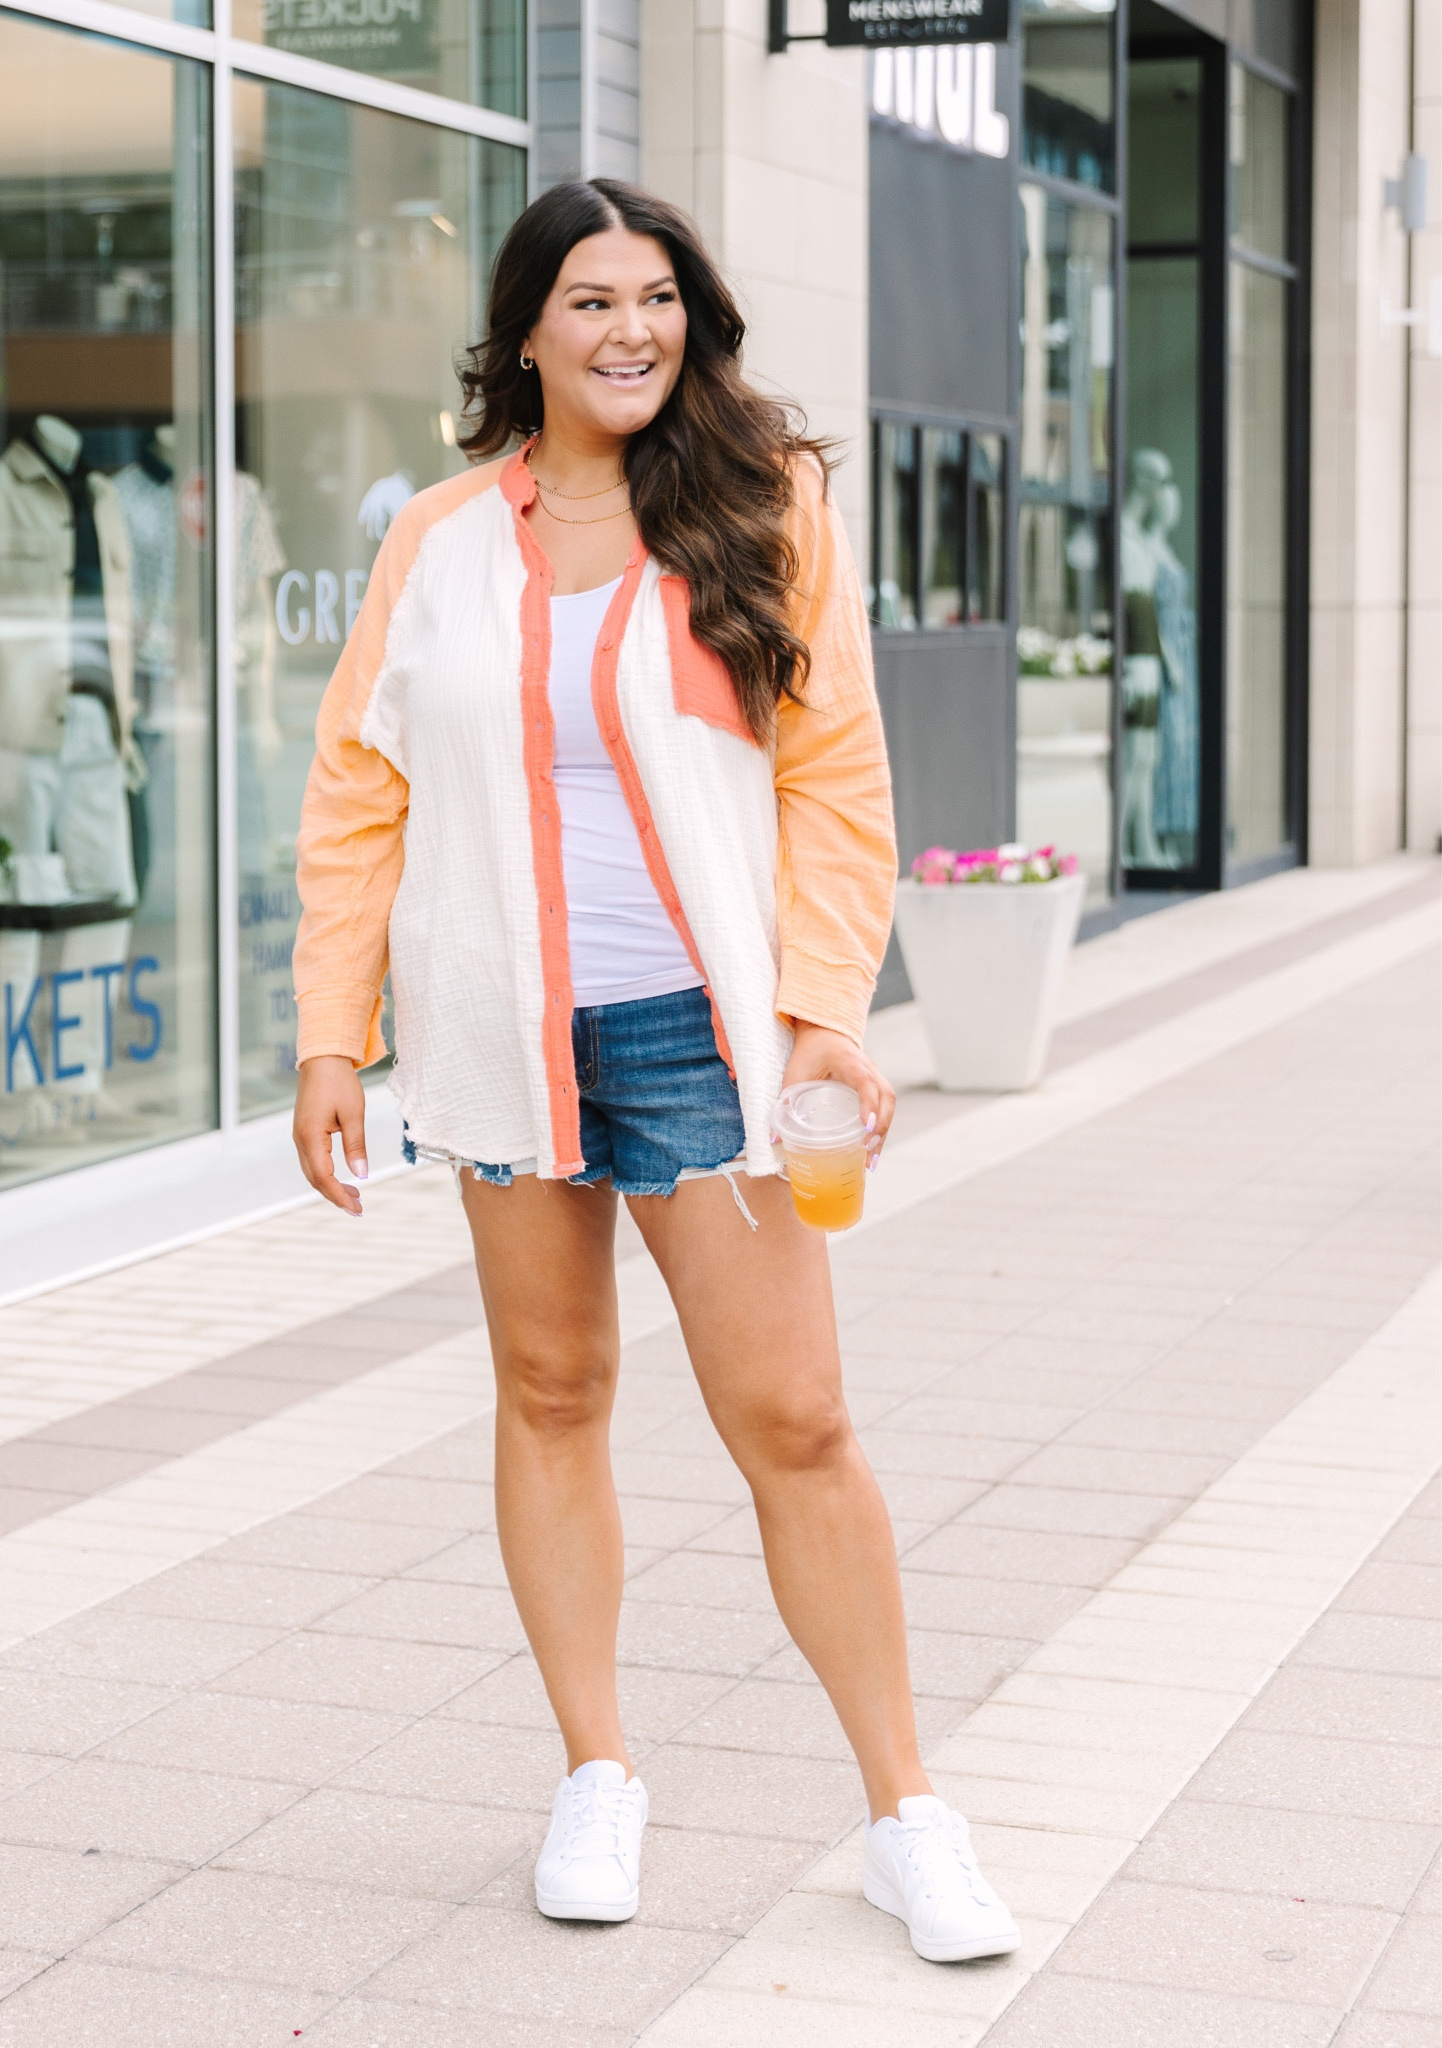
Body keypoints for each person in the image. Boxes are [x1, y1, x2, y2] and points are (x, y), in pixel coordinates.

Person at [291, 178, 1020, 1966]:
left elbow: (831, 775)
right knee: (549, 1394)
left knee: (795, 1423)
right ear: (525, 329)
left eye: (660, 298)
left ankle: (903, 1814)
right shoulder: (441, 539)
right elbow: (356, 792)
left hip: (702, 1034)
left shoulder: (759, 508)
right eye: (593, 301)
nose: (633, 330)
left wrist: (824, 1009)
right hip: (495, 1033)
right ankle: (596, 1770)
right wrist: (329, 1027)